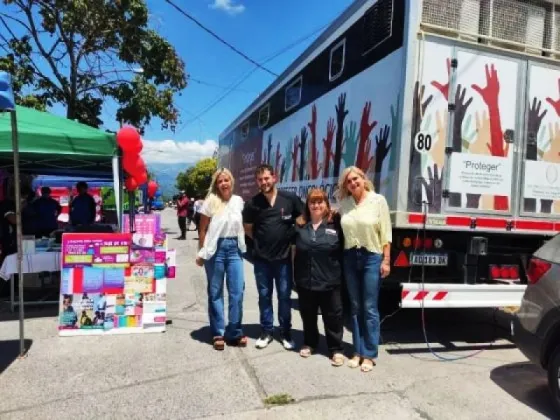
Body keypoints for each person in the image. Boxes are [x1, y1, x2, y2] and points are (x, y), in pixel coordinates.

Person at [337, 166, 391, 373]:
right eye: (349, 181)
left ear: (363, 179)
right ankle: (357, 351)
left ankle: (369, 354)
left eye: (355, 179)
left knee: (369, 307)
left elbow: (386, 233)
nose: (353, 183)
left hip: (371, 257)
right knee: (355, 305)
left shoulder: (378, 201)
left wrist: (386, 261)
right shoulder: (345, 204)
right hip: (350, 256)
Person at [243, 164, 303, 350]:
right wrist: (261, 243)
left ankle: (285, 332)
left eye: (267, 178)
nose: (264, 182)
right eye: (260, 180)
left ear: (274, 178)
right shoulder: (253, 203)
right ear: (257, 182)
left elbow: (302, 219)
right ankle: (266, 331)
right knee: (264, 296)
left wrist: (293, 238)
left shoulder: (289, 199)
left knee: (284, 296)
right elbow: (248, 228)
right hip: (261, 260)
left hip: (284, 259)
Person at [196, 168, 247, 350]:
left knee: (237, 292)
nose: (224, 183)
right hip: (215, 250)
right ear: (216, 185)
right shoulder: (210, 202)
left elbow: (245, 225)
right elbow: (202, 229)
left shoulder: (238, 201)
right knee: (216, 292)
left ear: (231, 182)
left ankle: (234, 331)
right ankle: (218, 332)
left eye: (226, 180)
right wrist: (201, 252)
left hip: (235, 249)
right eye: (220, 181)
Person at [293, 188, 345, 366]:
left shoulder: (336, 223)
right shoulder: (300, 225)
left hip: (330, 280)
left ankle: (336, 349)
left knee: (333, 316)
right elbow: (293, 250)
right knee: (308, 314)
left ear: (326, 204)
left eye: (320, 201)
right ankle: (310, 343)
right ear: (307, 205)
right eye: (312, 202)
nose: (316, 205)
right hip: (305, 280)